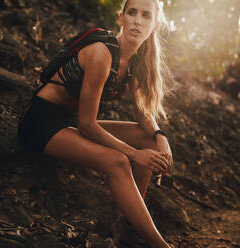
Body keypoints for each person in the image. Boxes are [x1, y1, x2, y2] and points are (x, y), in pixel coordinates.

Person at [18, 0, 174, 247]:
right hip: (42, 122)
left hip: (69, 122)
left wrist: (160, 137)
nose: (137, 20)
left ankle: (130, 228)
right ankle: (160, 245)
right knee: (118, 161)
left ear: (154, 25)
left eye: (145, 16)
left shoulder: (135, 60)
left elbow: (144, 111)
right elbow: (87, 125)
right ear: (121, 18)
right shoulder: (102, 52)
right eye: (132, 12)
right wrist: (134, 154)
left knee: (149, 140)